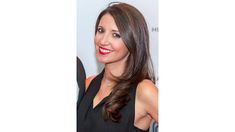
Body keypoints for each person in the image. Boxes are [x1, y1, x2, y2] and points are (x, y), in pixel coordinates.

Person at [77, 2, 158, 132]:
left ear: (133, 40)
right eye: (100, 30)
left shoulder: (143, 91)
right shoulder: (88, 84)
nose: (103, 41)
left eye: (116, 35)